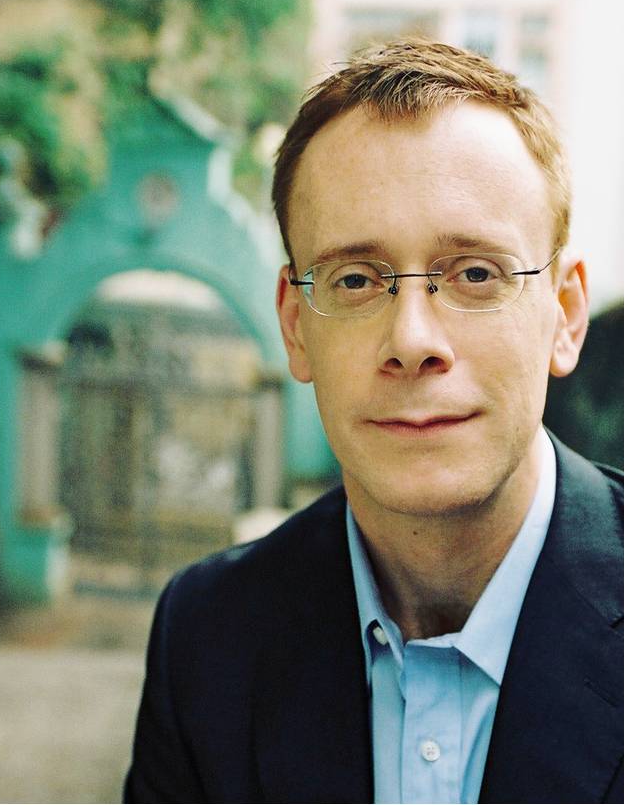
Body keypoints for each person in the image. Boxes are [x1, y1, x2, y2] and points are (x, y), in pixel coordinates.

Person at [124, 40, 622, 804]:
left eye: (475, 273)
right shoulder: (206, 637)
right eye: (355, 280)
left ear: (563, 315)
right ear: (295, 326)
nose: (412, 340)